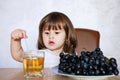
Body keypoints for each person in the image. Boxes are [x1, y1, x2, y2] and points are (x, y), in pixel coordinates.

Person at [10, 12, 77, 68]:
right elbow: (18, 56)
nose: (50, 36)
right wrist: (15, 40)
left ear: (67, 36)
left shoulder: (72, 55)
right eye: (47, 33)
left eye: (56, 33)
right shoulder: (39, 55)